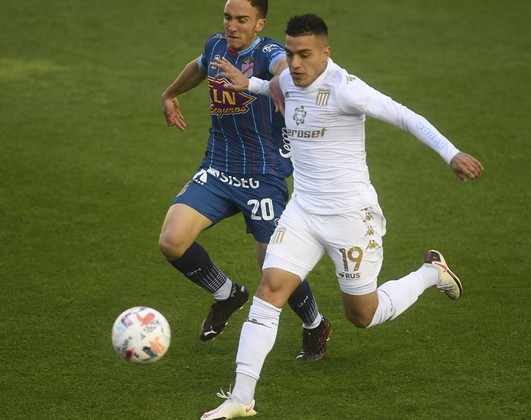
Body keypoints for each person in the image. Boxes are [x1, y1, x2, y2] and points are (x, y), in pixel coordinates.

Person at [201, 13, 484, 419]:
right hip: (303, 211)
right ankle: (241, 398)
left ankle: (430, 273)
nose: (295, 63)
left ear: (325, 53)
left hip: (351, 217)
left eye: (305, 55)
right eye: (290, 53)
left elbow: (405, 116)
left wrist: (451, 153)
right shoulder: (287, 79)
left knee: (362, 315)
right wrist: (253, 85)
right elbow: (275, 85)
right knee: (271, 287)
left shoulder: (346, 89)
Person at [159, 0, 331, 361]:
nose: (232, 26)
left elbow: (283, 69)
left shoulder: (269, 53)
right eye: (228, 17)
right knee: (172, 241)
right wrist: (171, 93)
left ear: (259, 24)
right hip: (218, 167)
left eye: (242, 20)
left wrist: (274, 83)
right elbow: (199, 66)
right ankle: (227, 294)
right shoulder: (216, 45)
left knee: (274, 264)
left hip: (263, 175)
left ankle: (315, 323)